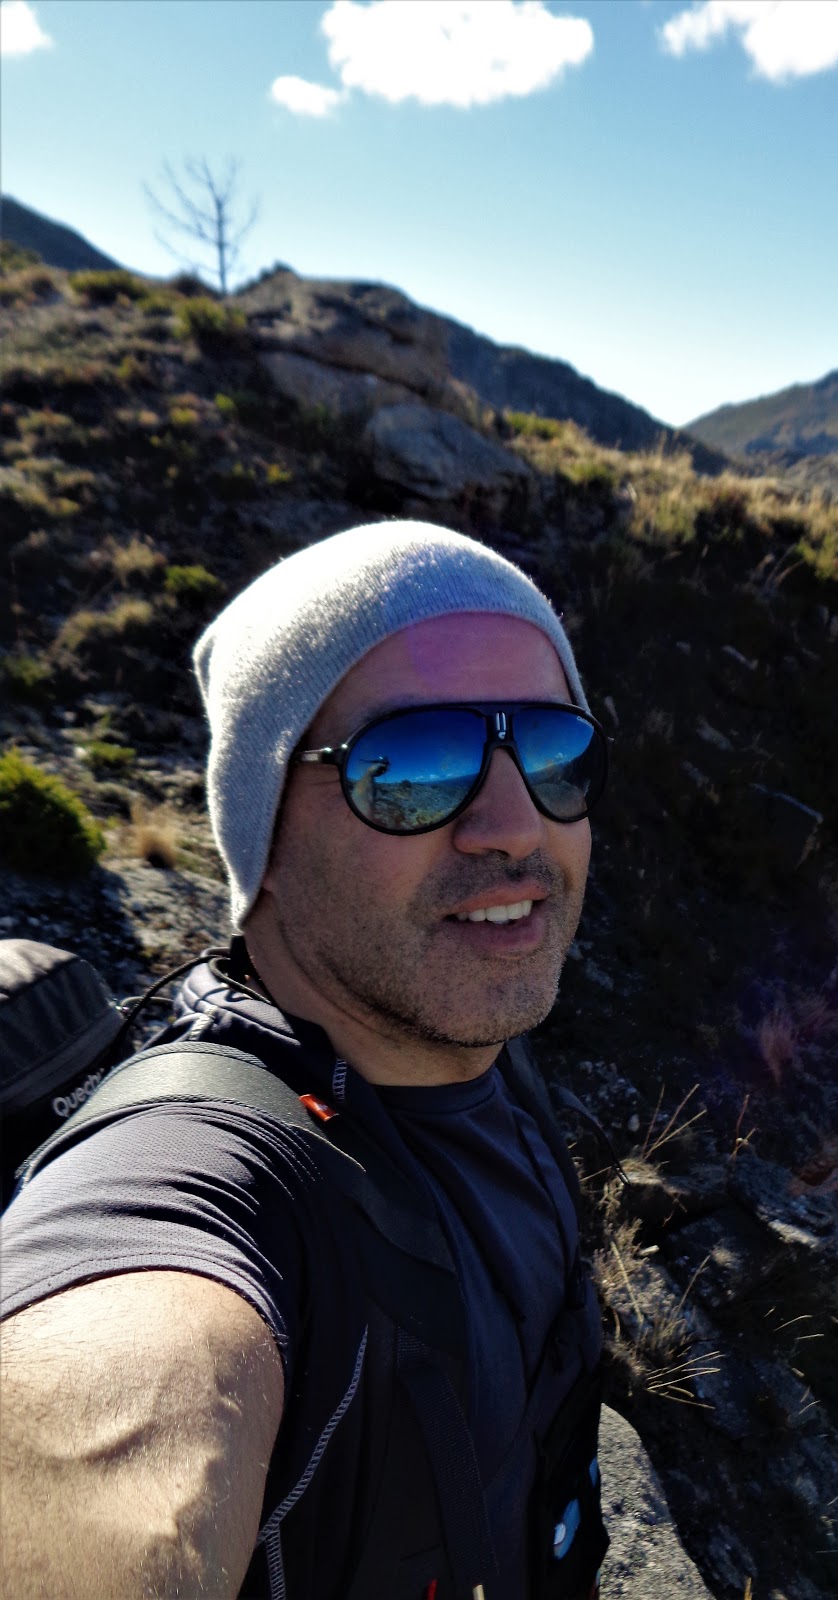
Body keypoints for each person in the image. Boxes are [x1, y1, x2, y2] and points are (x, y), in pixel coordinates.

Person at [0, 521, 611, 1600]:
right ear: (262, 828)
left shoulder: (482, 1054)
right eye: (413, 766)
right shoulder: (198, 1177)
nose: (517, 826)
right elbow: (104, 1419)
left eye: (555, 752)